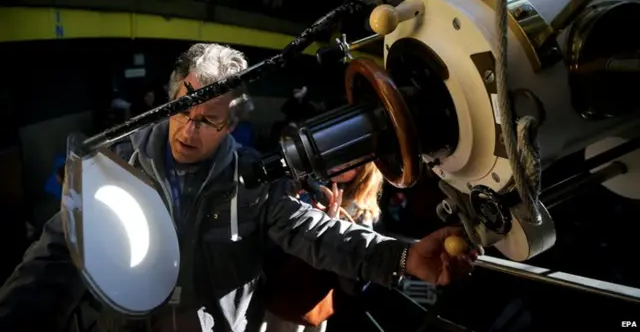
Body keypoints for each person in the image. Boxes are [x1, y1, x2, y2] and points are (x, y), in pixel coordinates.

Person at [0, 43, 477, 332]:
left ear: (231, 124)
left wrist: (400, 258)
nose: (189, 130)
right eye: (183, 111)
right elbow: (59, 249)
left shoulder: (255, 182)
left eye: (208, 120)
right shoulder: (115, 168)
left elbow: (316, 234)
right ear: (170, 100)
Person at [262, 162, 384, 332]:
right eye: (341, 156)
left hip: (297, 296)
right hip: (266, 283)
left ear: (363, 174)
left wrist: (331, 230)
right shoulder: (313, 184)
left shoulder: (359, 213)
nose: (340, 165)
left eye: (351, 164)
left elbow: (355, 282)